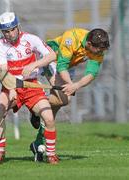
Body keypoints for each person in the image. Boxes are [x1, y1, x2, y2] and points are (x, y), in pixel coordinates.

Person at [22, 28, 110, 161]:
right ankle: (36, 102)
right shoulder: (72, 38)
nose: (101, 53)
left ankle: (38, 143)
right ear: (89, 44)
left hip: (68, 65)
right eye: (99, 50)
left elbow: (92, 73)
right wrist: (70, 84)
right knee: (64, 99)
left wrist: (76, 85)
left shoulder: (98, 46)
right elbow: (61, 66)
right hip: (52, 58)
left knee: (54, 108)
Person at [0, 12, 59, 165]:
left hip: (31, 86)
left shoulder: (31, 39)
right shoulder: (0, 47)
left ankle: (51, 154)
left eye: (12, 29)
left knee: (48, 117)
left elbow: (52, 55)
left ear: (18, 27)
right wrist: (11, 88)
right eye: (6, 31)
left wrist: (34, 64)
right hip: (10, 87)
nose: (10, 34)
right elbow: (3, 72)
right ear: (2, 32)